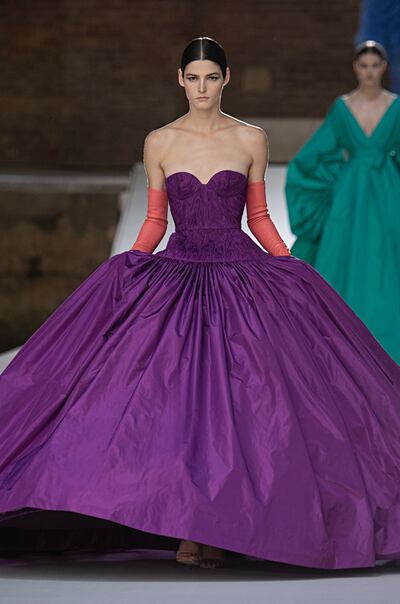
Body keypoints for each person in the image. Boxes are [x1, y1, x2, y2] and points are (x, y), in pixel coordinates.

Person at [0, 37, 400, 572]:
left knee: (248, 402)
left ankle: (224, 527)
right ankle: (190, 529)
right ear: (180, 80)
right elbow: (155, 220)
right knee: (175, 403)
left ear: (225, 79)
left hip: (240, 274)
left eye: (212, 77)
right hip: (179, 274)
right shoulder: (160, 141)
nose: (203, 88)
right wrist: (130, 264)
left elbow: (258, 217)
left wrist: (288, 263)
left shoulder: (250, 138)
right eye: (193, 78)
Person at [285, 40, 400, 363]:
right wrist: (328, 181)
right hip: (351, 194)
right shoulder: (342, 107)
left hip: (388, 191)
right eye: (364, 66)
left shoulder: (397, 107)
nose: (369, 72)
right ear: (355, 68)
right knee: (351, 256)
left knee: (385, 258)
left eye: (374, 66)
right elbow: (315, 154)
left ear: (384, 68)